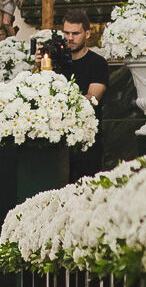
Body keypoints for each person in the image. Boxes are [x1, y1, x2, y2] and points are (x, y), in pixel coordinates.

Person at [46, 11, 108, 181]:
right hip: (56, 139)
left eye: (75, 33)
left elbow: (93, 98)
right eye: (66, 33)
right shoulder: (55, 62)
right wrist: (40, 64)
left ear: (87, 34)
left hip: (87, 141)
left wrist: (62, 102)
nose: (70, 38)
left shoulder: (97, 63)